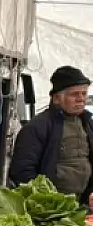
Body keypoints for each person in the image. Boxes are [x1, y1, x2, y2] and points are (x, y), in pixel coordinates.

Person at [8, 65, 93, 204]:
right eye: (74, 94)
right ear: (57, 99)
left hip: (83, 204)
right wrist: (46, 202)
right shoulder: (37, 127)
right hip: (52, 206)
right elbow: (22, 172)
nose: (81, 99)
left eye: (84, 94)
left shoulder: (88, 123)